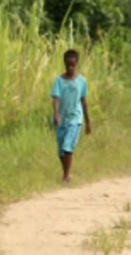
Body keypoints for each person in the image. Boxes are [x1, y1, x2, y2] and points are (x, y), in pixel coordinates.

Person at [51, 48, 91, 183]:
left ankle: (66, 176)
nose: (70, 67)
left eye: (72, 65)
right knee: (61, 152)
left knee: (67, 147)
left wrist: (88, 122)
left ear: (77, 63)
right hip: (61, 120)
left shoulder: (82, 81)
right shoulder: (59, 80)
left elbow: (84, 102)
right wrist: (56, 114)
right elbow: (56, 98)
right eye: (68, 64)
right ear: (64, 63)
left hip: (75, 119)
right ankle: (66, 173)